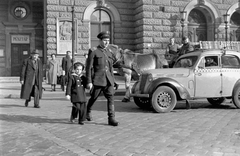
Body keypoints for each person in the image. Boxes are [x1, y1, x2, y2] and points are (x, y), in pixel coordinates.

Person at [85, 31, 119, 126]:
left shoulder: (109, 52)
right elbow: (89, 67)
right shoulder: (94, 51)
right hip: (98, 80)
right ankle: (87, 111)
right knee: (94, 97)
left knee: (111, 98)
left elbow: (111, 68)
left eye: (108, 40)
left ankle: (111, 118)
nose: (106, 42)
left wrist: (114, 81)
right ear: (100, 41)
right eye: (104, 40)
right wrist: (89, 81)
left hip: (108, 80)